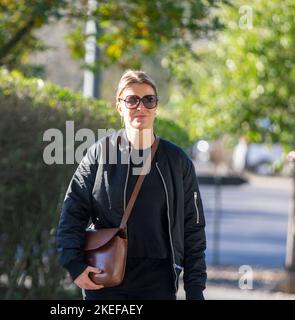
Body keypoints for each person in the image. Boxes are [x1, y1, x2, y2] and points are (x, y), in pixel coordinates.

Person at [56, 70, 206, 300]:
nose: (141, 106)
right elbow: (73, 211)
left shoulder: (176, 161)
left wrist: (195, 289)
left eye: (149, 99)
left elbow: (193, 228)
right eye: (132, 99)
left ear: (156, 106)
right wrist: (73, 264)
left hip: (158, 283)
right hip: (105, 277)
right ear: (119, 106)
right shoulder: (100, 154)